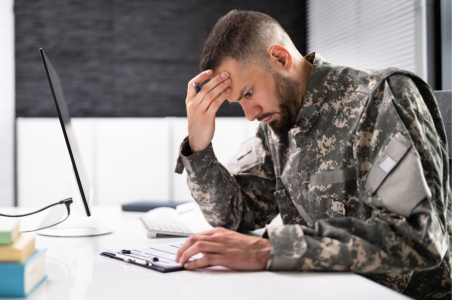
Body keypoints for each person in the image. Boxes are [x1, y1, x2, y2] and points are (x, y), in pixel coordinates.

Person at [174, 10, 452, 300]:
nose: (250, 115)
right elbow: (234, 216)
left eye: (248, 93)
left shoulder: (381, 98)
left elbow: (419, 236)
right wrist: (199, 145)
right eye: (237, 103)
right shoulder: (277, 126)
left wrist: (273, 248)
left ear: (280, 58)